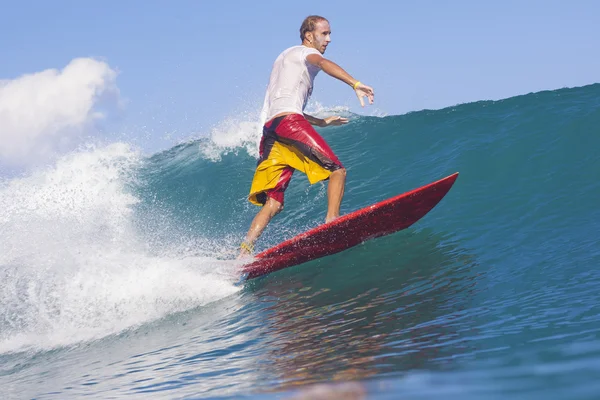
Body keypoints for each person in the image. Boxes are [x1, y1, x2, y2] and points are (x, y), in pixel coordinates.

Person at [239, 15, 375, 257]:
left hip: (271, 130)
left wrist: (320, 121)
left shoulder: (283, 58)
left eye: (329, 34)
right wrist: (355, 83)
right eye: (324, 34)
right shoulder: (305, 53)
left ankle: (244, 250)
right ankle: (332, 221)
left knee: (275, 202)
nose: (329, 39)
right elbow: (323, 64)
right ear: (309, 36)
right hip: (289, 123)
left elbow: (283, 105)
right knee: (337, 171)